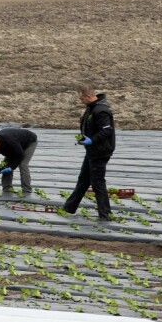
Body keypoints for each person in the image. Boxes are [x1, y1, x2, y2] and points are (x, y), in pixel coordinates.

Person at [62, 85, 116, 221]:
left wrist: (92, 140)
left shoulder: (101, 110)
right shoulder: (91, 108)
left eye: (81, 99)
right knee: (84, 179)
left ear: (88, 96)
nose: (81, 101)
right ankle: (68, 208)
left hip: (100, 151)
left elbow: (106, 130)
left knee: (98, 183)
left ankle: (105, 215)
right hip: (92, 151)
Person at [0, 127, 38, 194]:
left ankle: (27, 190)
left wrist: (11, 167)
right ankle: (7, 189)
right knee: (5, 165)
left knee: (23, 164)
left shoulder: (9, 141)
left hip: (29, 142)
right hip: (16, 146)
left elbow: (20, 155)